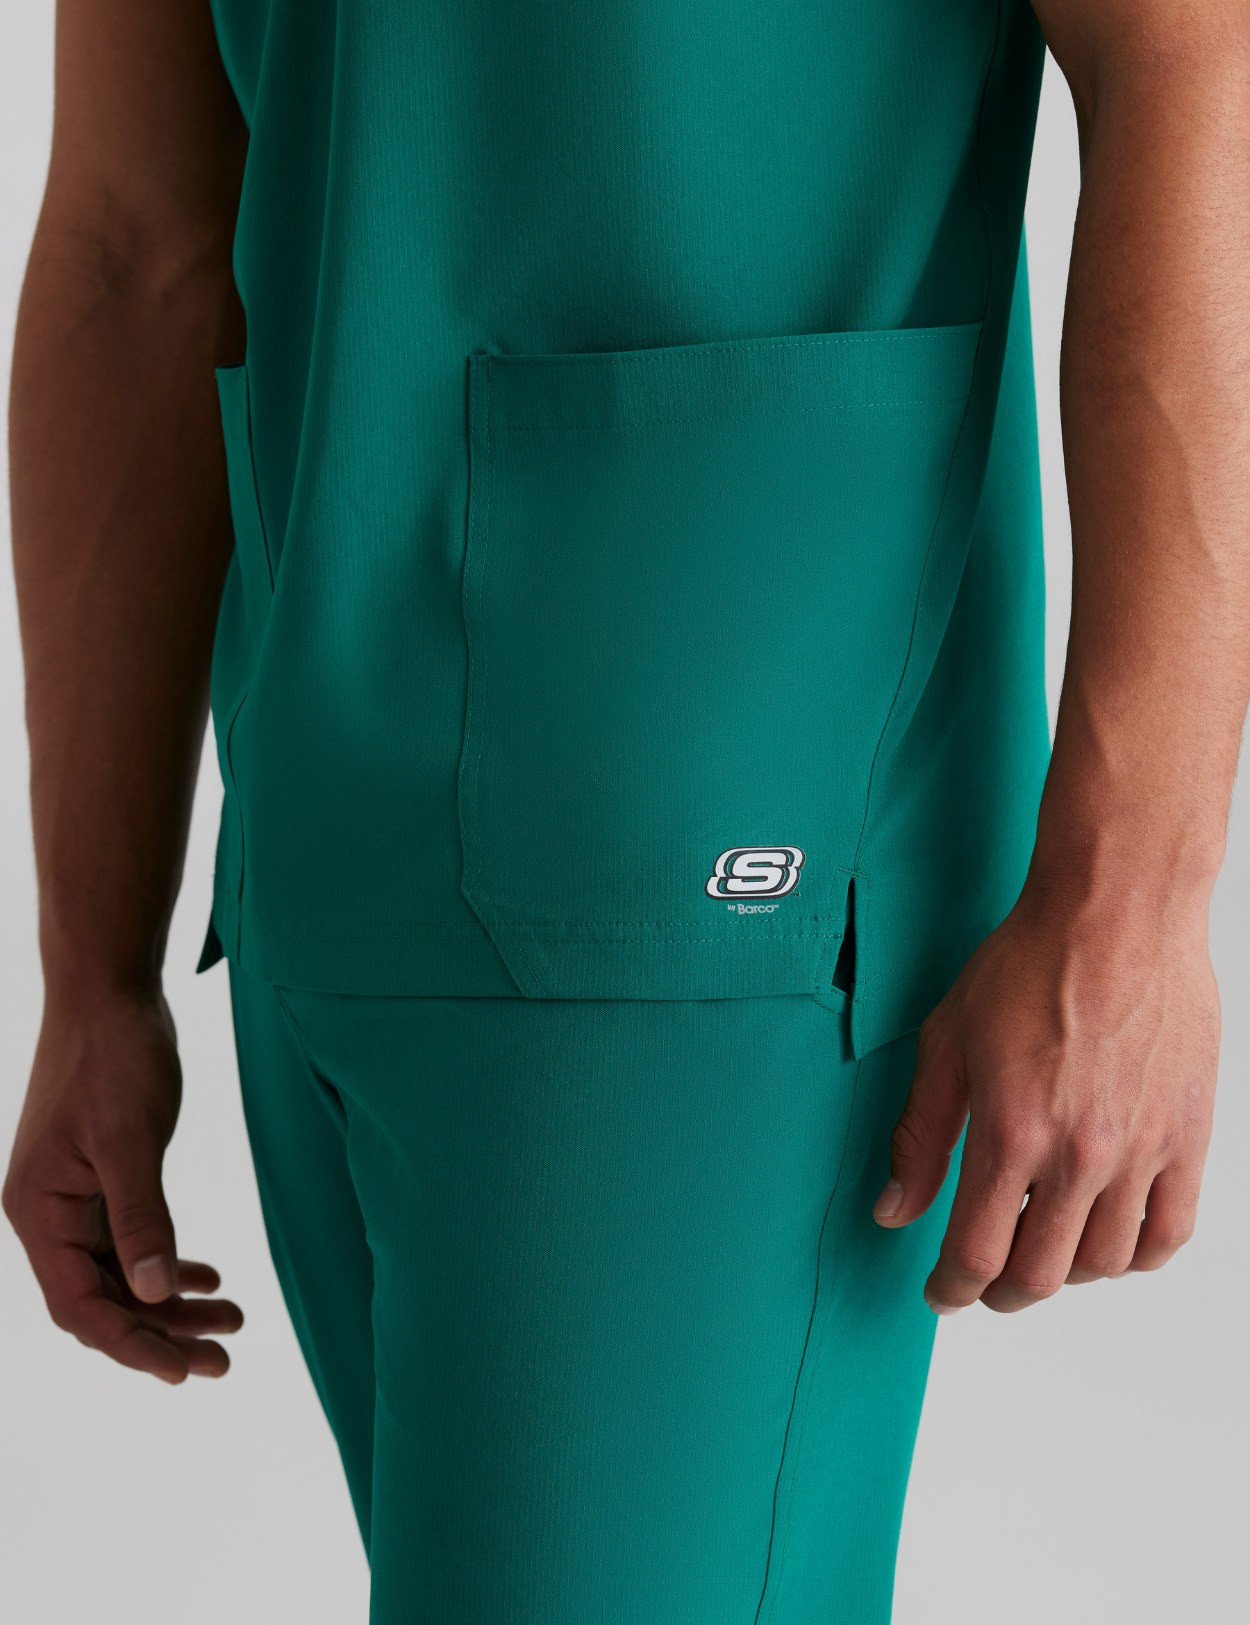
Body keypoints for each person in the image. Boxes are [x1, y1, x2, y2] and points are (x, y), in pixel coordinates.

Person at [5, 1, 1246, 1619]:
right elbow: (132, 244)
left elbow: (1186, 61)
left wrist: (1131, 895)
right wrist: (92, 971)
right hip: (326, 846)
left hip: (729, 849)